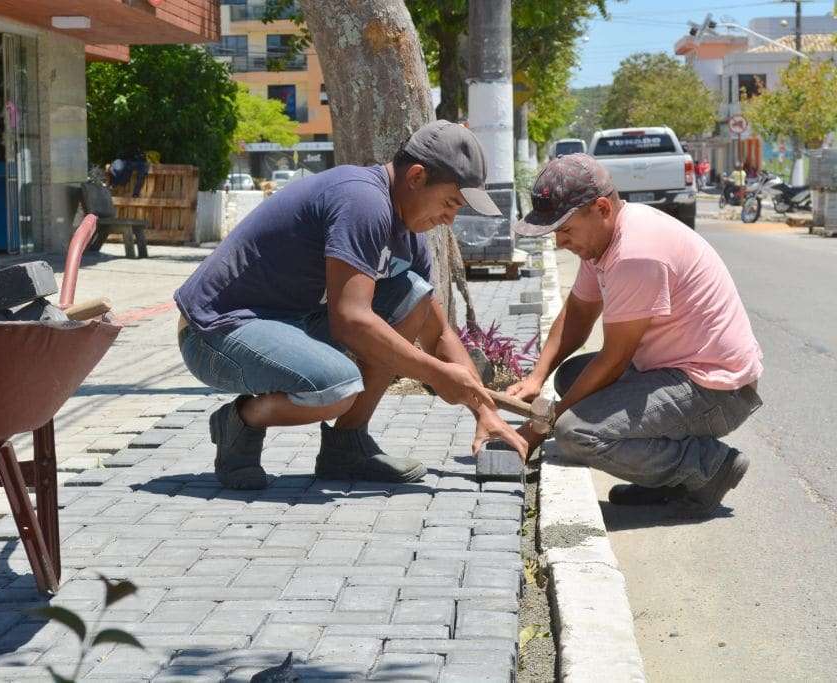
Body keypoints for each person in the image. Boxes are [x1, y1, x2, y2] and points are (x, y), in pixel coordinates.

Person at [174, 120, 528, 490]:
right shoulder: (362, 200)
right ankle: (241, 422)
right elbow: (350, 321)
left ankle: (347, 446)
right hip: (215, 333)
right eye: (451, 202)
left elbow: (436, 331)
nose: (450, 218)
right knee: (338, 387)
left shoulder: (409, 237)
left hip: (286, 323)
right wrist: (437, 375)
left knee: (412, 295)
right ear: (417, 177)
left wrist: (484, 411)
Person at [508, 154, 763, 514]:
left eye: (564, 230)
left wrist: (540, 427)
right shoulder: (603, 242)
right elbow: (579, 314)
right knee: (570, 377)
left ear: (601, 208)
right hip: (673, 373)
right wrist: (538, 377)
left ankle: (708, 468)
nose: (560, 243)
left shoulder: (634, 254)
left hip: (716, 391)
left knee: (574, 433)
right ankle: (666, 478)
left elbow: (613, 361)